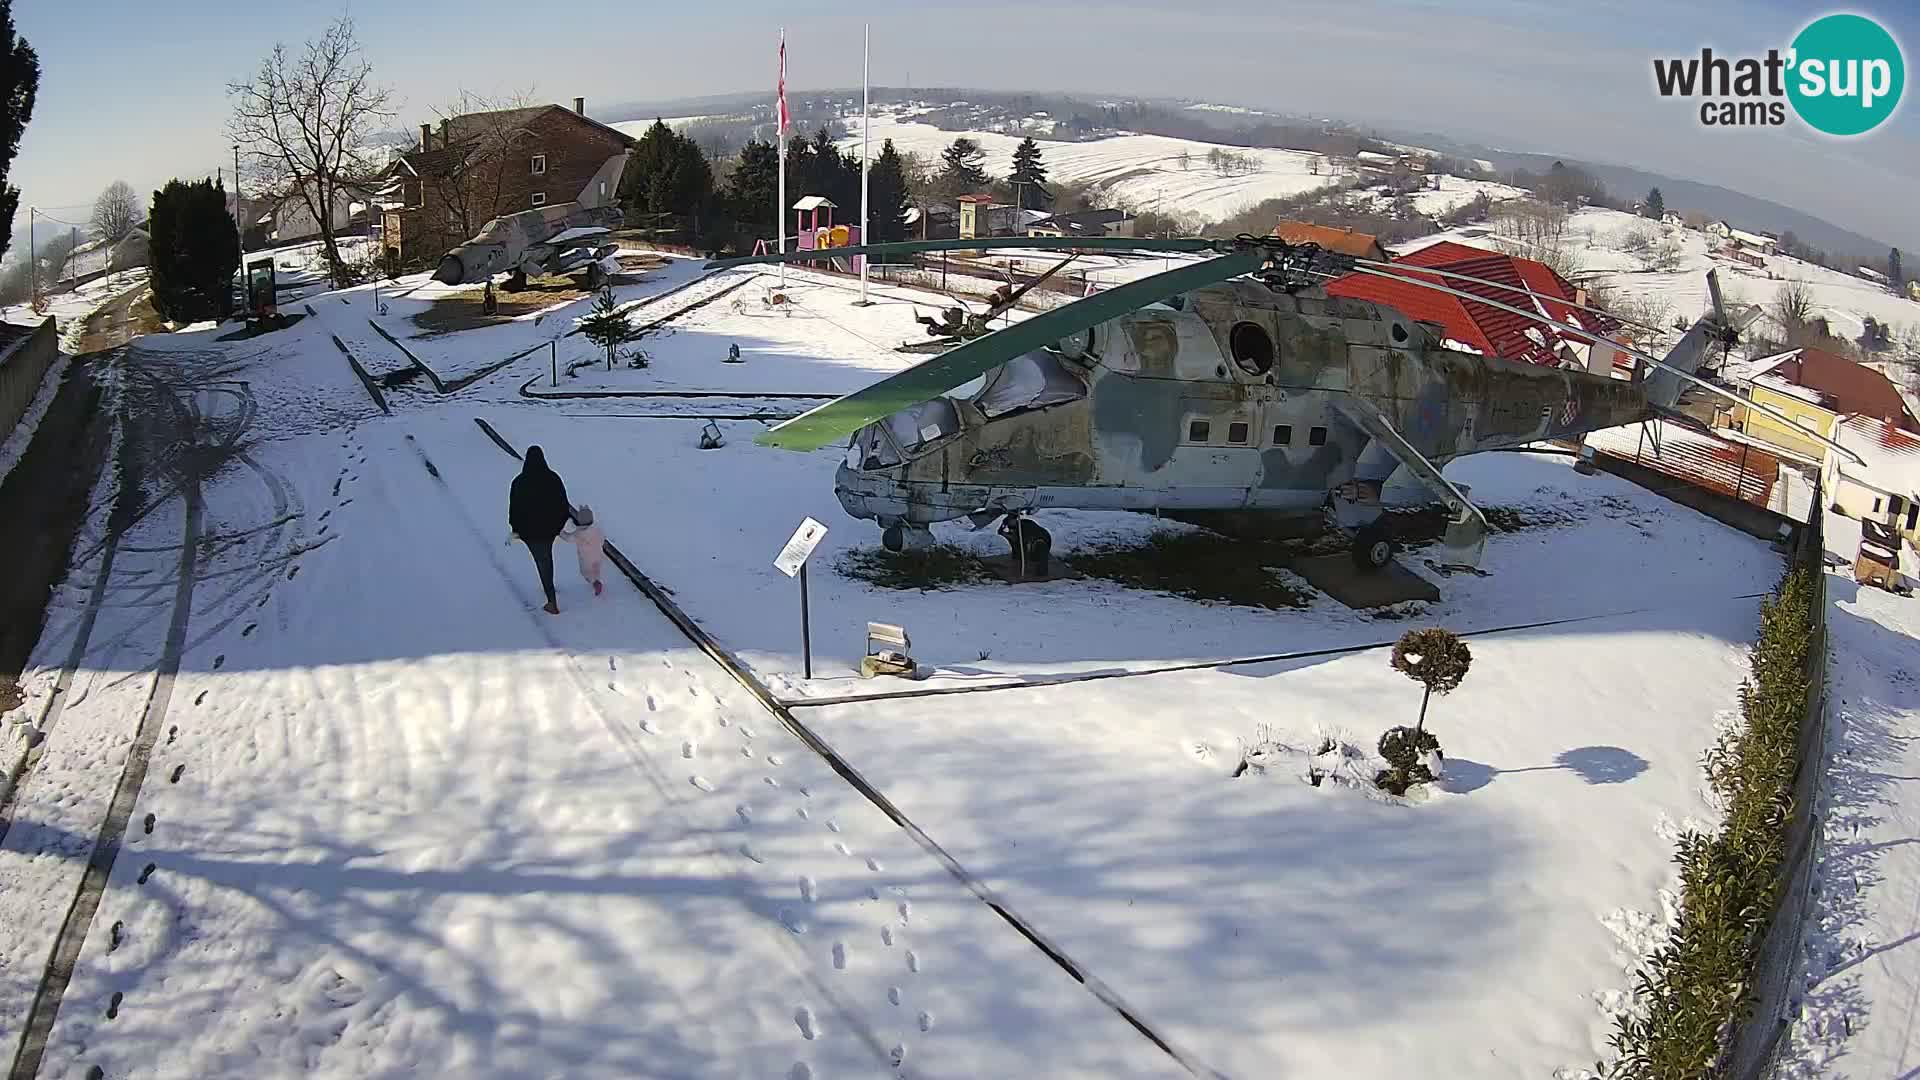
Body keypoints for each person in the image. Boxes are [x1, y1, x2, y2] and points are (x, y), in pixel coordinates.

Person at [508, 445, 573, 614]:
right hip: (549, 531)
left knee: (541, 561)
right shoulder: (553, 478)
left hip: (529, 533)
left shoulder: (519, 482)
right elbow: (563, 505)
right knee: (546, 558)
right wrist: (558, 525)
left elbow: (514, 509)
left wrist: (516, 528)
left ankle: (552, 601)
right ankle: (549, 587)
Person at [563, 504, 606, 597]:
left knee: (586, 573)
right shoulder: (597, 530)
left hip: (586, 558)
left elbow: (568, 538)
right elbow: (602, 539)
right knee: (596, 570)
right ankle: (597, 580)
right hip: (598, 555)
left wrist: (561, 532)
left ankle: (595, 583)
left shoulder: (579, 533)